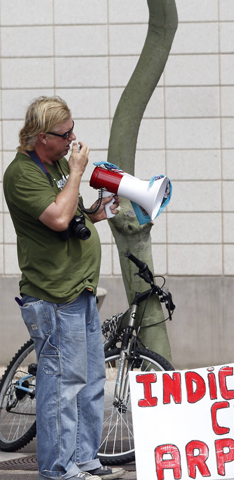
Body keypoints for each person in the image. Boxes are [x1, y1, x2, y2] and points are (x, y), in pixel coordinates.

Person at [3, 97, 124, 480]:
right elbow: (56, 217)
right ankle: (58, 468)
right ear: (42, 137)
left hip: (80, 290)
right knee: (62, 385)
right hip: (54, 296)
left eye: (73, 129)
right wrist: (76, 173)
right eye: (65, 133)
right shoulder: (21, 173)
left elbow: (71, 214)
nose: (74, 139)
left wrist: (95, 214)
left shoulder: (54, 163)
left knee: (90, 382)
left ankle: (85, 458)